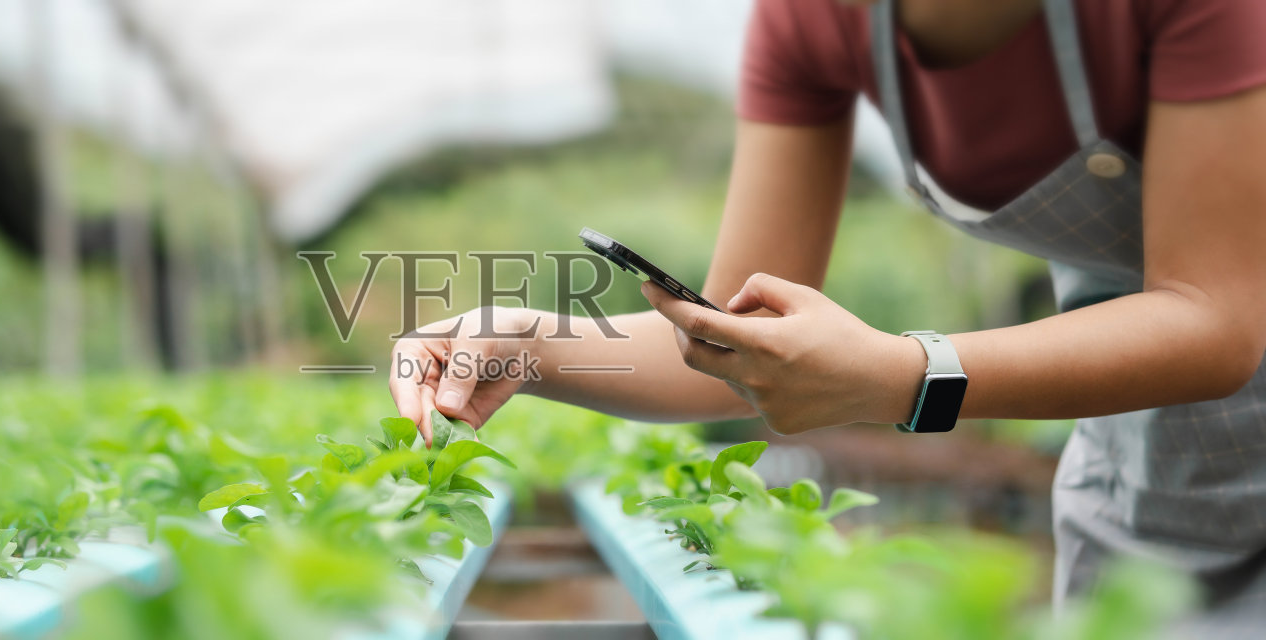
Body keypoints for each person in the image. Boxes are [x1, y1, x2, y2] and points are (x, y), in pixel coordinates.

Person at [388, 0, 1266, 621]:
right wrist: (530, 345)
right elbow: (732, 344)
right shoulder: (811, 19)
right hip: (1149, 459)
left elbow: (1213, 316)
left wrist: (901, 375)